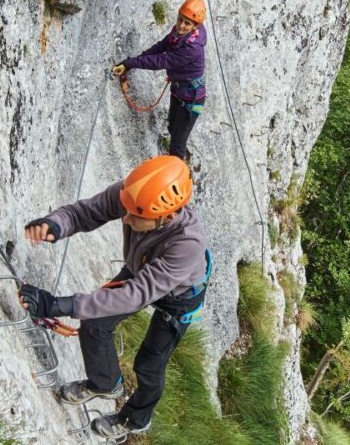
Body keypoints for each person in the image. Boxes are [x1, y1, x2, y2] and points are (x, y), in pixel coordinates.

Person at [19, 155, 211, 440]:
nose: (125, 217)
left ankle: (136, 418)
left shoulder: (187, 245)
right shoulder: (133, 195)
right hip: (142, 270)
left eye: (136, 216)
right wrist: (54, 225)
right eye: (128, 210)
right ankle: (104, 383)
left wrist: (58, 305)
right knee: (94, 323)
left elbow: (135, 295)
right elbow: (84, 213)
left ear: (167, 216)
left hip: (178, 299)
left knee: (149, 364)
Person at [112, 0, 207, 160]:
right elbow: (161, 47)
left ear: (195, 26)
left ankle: (174, 179)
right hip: (179, 92)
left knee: (177, 145)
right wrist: (133, 62)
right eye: (180, 20)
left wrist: (130, 63)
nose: (181, 26)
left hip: (192, 101)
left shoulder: (193, 49)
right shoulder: (178, 34)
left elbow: (161, 61)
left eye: (187, 23)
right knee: (172, 128)